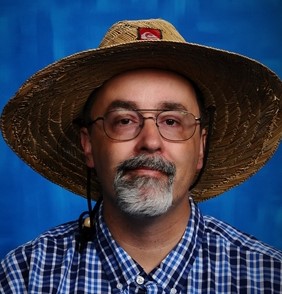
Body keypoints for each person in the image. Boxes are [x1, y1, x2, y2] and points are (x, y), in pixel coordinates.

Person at [0, 18, 281, 293]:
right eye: (124, 121)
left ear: (201, 147)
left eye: (171, 121)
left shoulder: (268, 277)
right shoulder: (24, 277)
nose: (150, 141)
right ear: (88, 145)